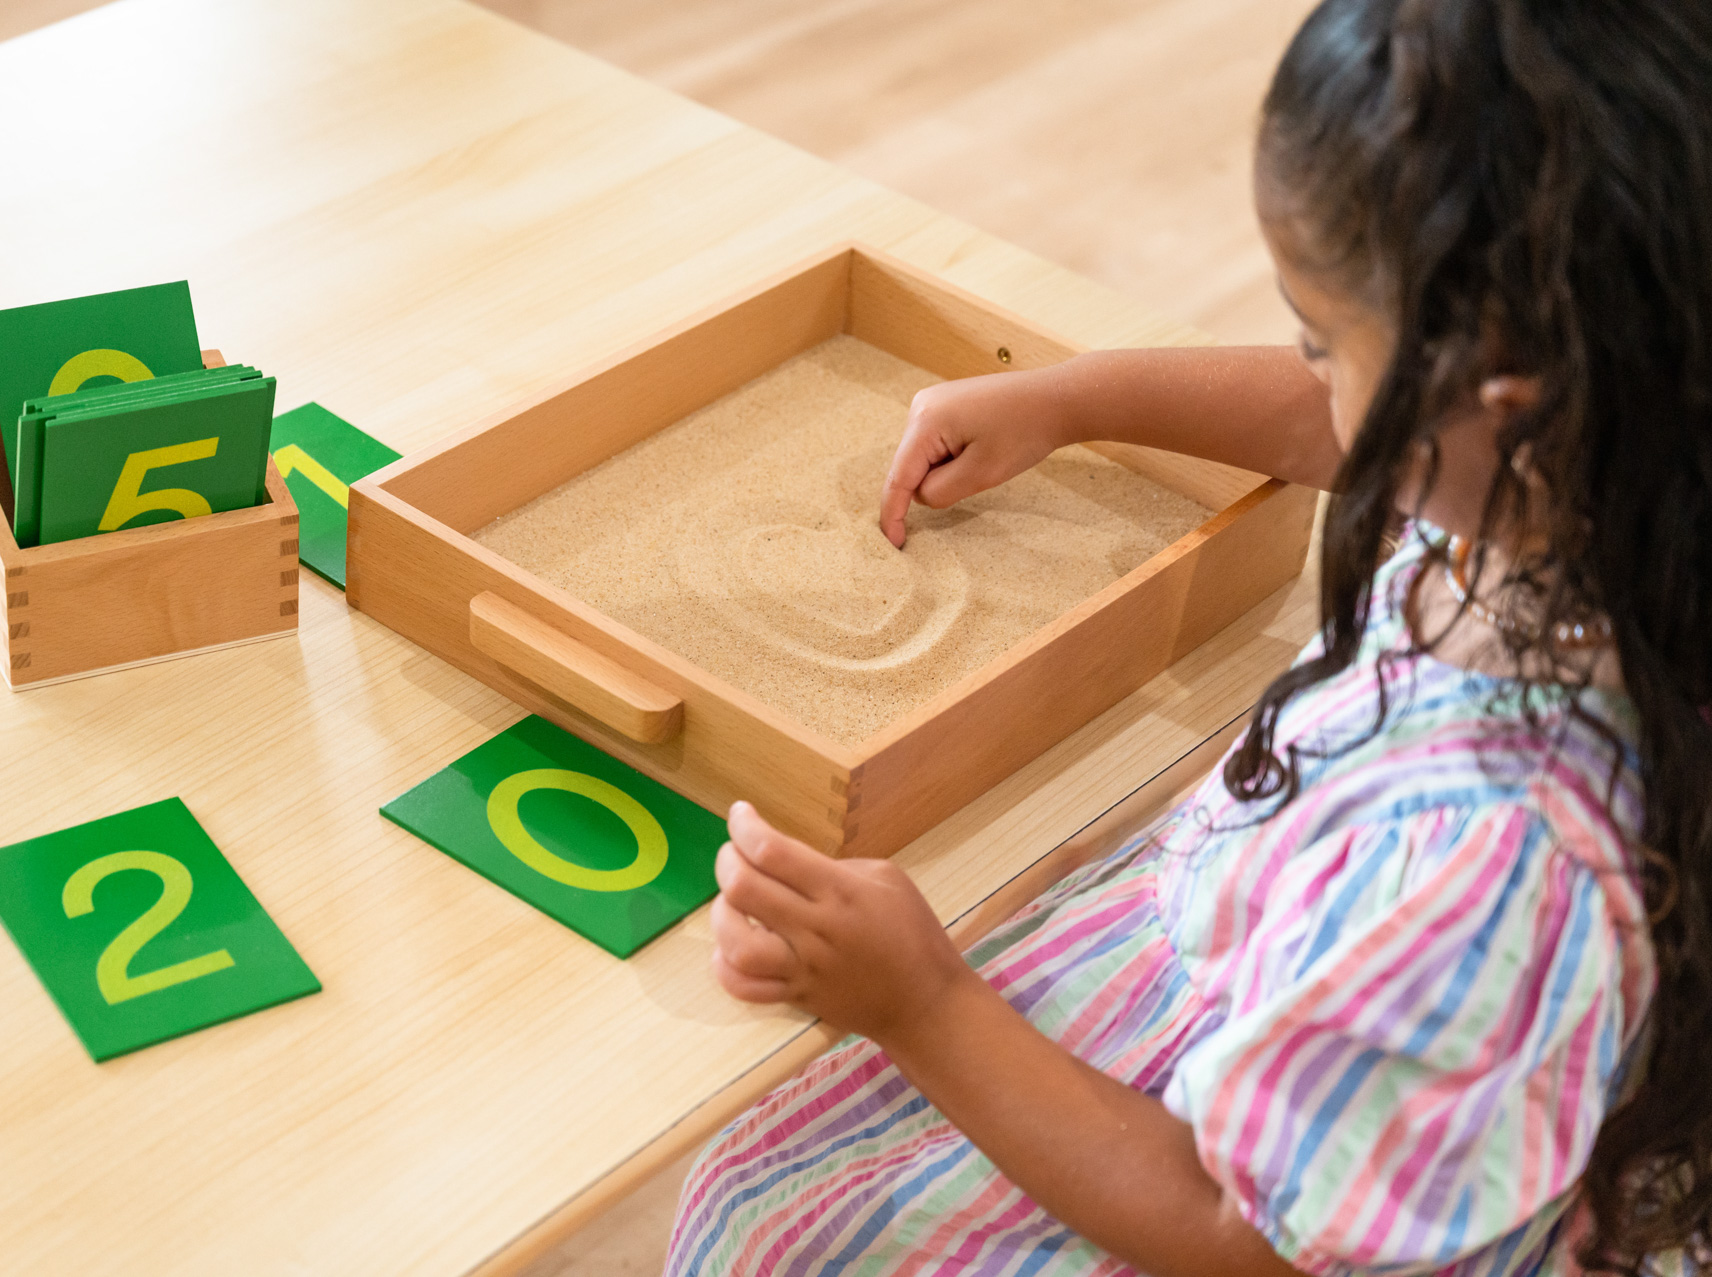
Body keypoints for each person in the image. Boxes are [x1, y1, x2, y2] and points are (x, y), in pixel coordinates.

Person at [663, 0, 1712, 1273]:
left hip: (1238, 1187)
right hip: (1301, 997)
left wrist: (924, 1003)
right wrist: (1077, 394)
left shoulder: (1493, 853)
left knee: (760, 1224)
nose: (1310, 368)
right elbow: (1337, 424)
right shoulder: (1613, 446)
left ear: (1502, 385)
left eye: (1324, 338)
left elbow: (1247, 1233)